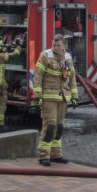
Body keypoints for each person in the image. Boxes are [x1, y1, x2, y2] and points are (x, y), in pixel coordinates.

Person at [33, 34, 79, 167]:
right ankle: (43, 156)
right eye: (54, 45)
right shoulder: (46, 56)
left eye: (58, 45)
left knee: (59, 127)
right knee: (50, 126)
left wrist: (74, 97)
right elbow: (37, 76)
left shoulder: (68, 58)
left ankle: (56, 155)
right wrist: (37, 96)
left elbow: (72, 79)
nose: (55, 47)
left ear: (63, 45)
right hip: (48, 97)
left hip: (63, 97)